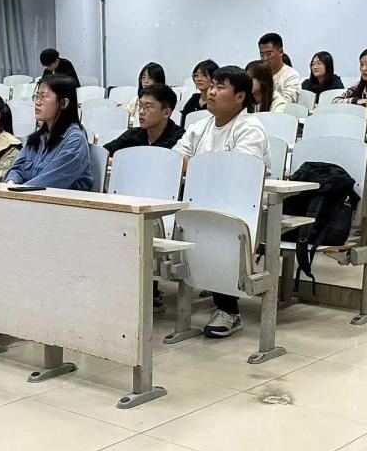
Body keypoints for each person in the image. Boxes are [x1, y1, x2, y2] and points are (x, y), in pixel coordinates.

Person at [173, 65, 269, 339]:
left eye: (220, 87)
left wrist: (196, 166)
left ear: (240, 96)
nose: (211, 92)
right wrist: (202, 168)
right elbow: (175, 158)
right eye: (212, 86)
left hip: (241, 206)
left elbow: (238, 171)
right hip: (201, 199)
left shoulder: (250, 128)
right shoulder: (200, 126)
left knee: (216, 225)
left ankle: (229, 311)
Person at [5, 73, 92, 190]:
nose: (37, 102)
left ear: (64, 103)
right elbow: (18, 168)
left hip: (59, 200)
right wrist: (11, 183)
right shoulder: (38, 138)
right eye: (36, 96)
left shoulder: (75, 140)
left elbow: (48, 183)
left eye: (43, 97)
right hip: (29, 197)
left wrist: (16, 192)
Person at [105, 84, 184, 156]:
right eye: (140, 105)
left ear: (166, 113)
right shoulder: (134, 134)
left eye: (148, 106)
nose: (141, 112)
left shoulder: (180, 139)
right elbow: (104, 153)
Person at [258, 32, 301, 105]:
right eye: (262, 55)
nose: (265, 59)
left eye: (269, 54)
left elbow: (287, 103)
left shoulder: (291, 75)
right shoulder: (259, 75)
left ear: (281, 52)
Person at [180, 59, 218, 125]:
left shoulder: (217, 101)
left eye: (204, 75)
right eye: (196, 75)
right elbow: (183, 120)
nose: (199, 79)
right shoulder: (194, 99)